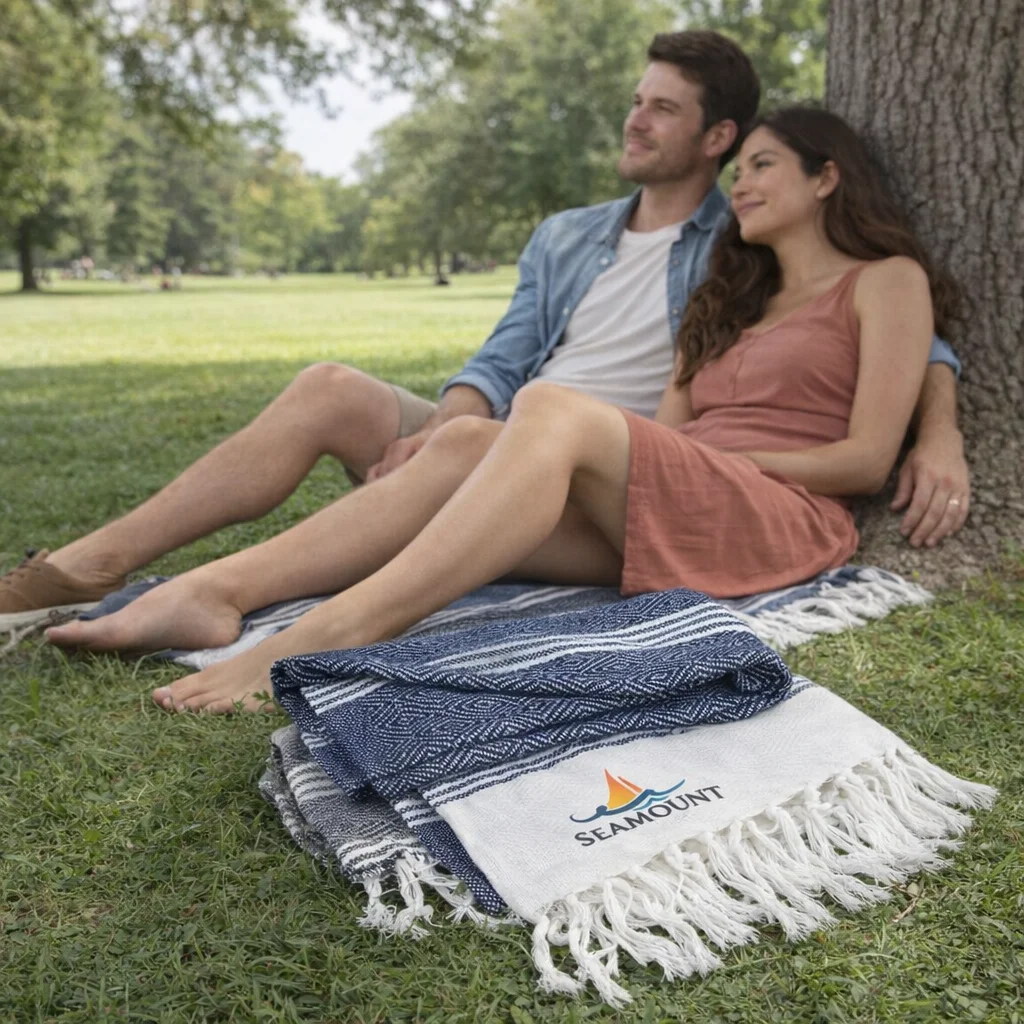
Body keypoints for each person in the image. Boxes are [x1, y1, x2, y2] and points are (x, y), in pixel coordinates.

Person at [1, 31, 967, 634]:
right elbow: (504, 357)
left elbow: (882, 334)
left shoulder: (746, 238)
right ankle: (97, 561)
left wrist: (942, 429)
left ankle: (256, 598)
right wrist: (444, 424)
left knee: (524, 421)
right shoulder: (569, 234)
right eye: (637, 100)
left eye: (662, 109)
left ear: (717, 138)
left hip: (609, 455)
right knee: (333, 386)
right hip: (509, 432)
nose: (635, 120)